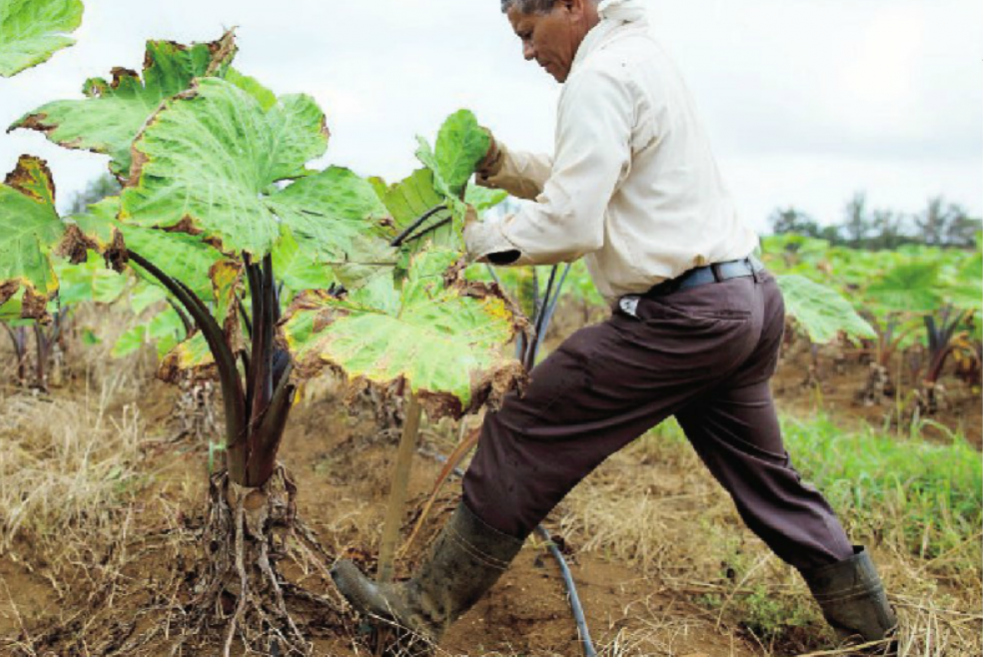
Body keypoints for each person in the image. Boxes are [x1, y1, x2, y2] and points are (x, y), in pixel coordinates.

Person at [330, 0, 898, 654]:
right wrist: (503, 161)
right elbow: (595, 175)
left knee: (524, 426)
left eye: (527, 32)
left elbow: (573, 222)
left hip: (685, 317)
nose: (526, 52)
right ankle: (876, 637)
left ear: (571, 6)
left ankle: (419, 613)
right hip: (746, 297)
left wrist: (471, 241)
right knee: (768, 480)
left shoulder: (598, 78)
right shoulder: (640, 56)